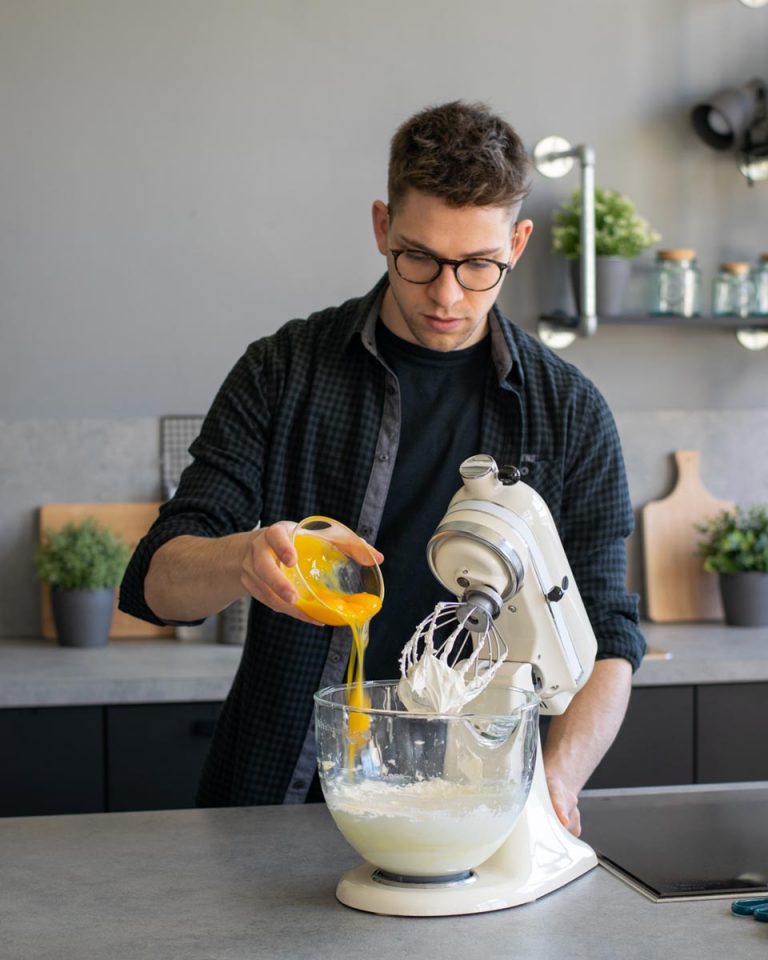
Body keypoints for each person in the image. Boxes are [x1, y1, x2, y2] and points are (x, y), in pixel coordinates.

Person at [119, 100, 645, 836]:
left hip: (479, 806)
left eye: (479, 265)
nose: (447, 294)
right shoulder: (284, 371)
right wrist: (242, 558)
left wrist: (552, 785)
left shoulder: (570, 412)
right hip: (275, 802)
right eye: (420, 257)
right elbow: (154, 583)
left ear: (518, 242)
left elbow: (611, 637)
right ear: (381, 228)